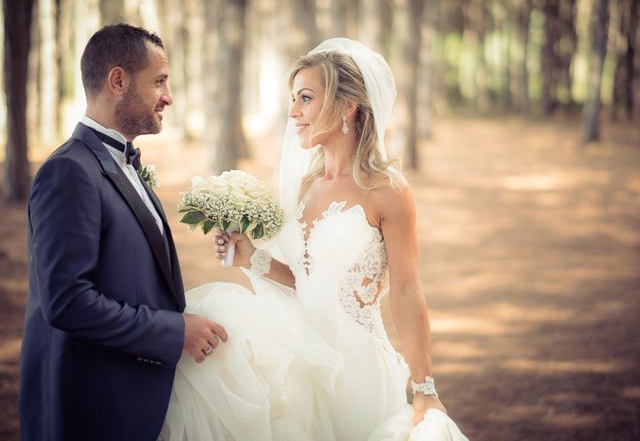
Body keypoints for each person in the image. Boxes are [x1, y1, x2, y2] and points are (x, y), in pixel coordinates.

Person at [163, 38, 468, 440]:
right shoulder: (306, 186)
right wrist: (251, 258)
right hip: (300, 363)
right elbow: (308, 279)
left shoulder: (387, 191)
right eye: (293, 99)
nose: (293, 113)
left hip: (354, 368)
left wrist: (425, 387)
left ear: (347, 106)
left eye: (305, 99)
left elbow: (407, 291)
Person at [19, 24, 228, 441]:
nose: (168, 96)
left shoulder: (121, 163)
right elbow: (68, 301)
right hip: (89, 409)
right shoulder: (69, 171)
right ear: (118, 80)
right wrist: (175, 331)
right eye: (160, 81)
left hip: (128, 400)